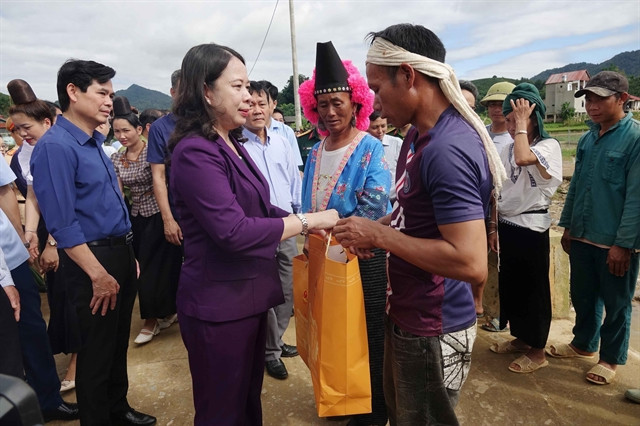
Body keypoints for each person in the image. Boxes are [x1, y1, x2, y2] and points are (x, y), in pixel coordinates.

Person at [333, 24, 506, 425]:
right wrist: (378, 229)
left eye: (377, 87)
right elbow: (414, 214)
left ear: (408, 76)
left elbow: (469, 262)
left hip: (433, 323)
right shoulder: (418, 138)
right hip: (408, 311)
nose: (373, 104)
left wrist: (379, 234)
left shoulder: (448, 149)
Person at [168, 43, 338, 425]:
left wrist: (313, 220)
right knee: (221, 409)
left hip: (245, 297)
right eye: (239, 86)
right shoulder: (196, 151)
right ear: (207, 93)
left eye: (248, 87)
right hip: (218, 305)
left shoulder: (231, 142)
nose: (249, 96)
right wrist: (309, 221)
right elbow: (232, 230)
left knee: (246, 401)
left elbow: (260, 208)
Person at [31, 59, 156, 426]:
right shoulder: (56, 146)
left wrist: (127, 254)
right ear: (73, 91)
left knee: (116, 344)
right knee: (96, 353)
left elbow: (110, 206)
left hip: (116, 251)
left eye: (111, 94)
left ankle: (119, 409)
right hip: (90, 261)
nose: (109, 102)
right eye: (102, 93)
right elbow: (64, 224)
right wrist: (99, 274)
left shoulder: (93, 143)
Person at [298, 41, 390, 426]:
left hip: (361, 258)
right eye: (323, 105)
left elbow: (376, 203)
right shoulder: (316, 151)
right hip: (324, 256)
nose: (331, 112)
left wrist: (338, 234)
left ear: (356, 103)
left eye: (338, 102)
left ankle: (372, 411)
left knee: (366, 337)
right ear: (312, 108)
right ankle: (340, 399)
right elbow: (306, 204)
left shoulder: (369, 147)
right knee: (330, 333)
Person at [550, 71, 640, 386]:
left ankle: (610, 358)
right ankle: (583, 344)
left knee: (617, 303)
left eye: (600, 98)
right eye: (588, 99)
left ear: (623, 100)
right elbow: (576, 187)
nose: (591, 105)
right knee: (583, 295)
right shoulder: (589, 138)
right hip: (583, 235)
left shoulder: (635, 138)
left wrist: (624, 244)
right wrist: (568, 227)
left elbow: (636, 198)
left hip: (614, 242)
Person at [7, 79, 80, 393]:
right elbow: (35, 194)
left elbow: (65, 199)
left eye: (26, 126)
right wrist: (30, 234)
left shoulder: (59, 147)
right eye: (17, 128)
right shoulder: (21, 156)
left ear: (46, 120)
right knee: (60, 297)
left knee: (76, 297)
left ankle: (79, 364)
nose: (23, 134)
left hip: (69, 230)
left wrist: (51, 242)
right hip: (47, 230)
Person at [486, 83, 562, 373]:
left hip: (531, 225)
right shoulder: (508, 146)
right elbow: (497, 189)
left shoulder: (548, 146)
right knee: (512, 286)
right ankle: (521, 338)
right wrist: (493, 227)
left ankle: (538, 350)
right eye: (507, 119)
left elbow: (523, 158)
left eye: (514, 118)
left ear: (532, 118)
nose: (507, 124)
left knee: (534, 289)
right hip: (508, 224)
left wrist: (520, 126)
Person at [0, 158, 79, 422]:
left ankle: (46, 400)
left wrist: (23, 239)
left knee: (30, 330)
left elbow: (5, 192)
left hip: (9, 259)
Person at [242, 81, 302, 380]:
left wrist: (300, 214)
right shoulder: (235, 146)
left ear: (271, 106)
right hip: (257, 232)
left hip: (288, 227)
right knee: (264, 293)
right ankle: (269, 353)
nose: (255, 109)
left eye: (261, 103)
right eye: (249, 103)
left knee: (286, 290)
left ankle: (275, 341)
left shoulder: (281, 140)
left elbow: (293, 179)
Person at [110, 96, 182, 345]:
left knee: (156, 269)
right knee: (142, 267)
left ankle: (150, 320)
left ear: (139, 130)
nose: (121, 136)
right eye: (116, 131)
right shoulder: (117, 159)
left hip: (158, 213)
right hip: (135, 215)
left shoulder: (151, 152)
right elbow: (119, 193)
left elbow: (162, 179)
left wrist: (168, 218)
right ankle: (166, 312)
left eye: (126, 130)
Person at [478, 81, 515, 329]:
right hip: (477, 208)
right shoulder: (480, 131)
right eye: (491, 104)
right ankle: (481, 307)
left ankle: (502, 316)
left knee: (502, 265)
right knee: (479, 262)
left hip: (501, 210)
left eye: (500, 104)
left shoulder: (514, 139)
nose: (496, 109)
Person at [260, 80, 304, 170]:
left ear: (274, 104)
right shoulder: (241, 132)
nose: (258, 109)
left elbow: (295, 168)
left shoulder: (286, 132)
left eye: (262, 104)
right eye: (252, 104)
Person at [367, 110, 402, 204]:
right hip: (373, 201)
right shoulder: (364, 146)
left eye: (383, 126)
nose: (380, 131)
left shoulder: (396, 143)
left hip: (395, 198)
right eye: (375, 127)